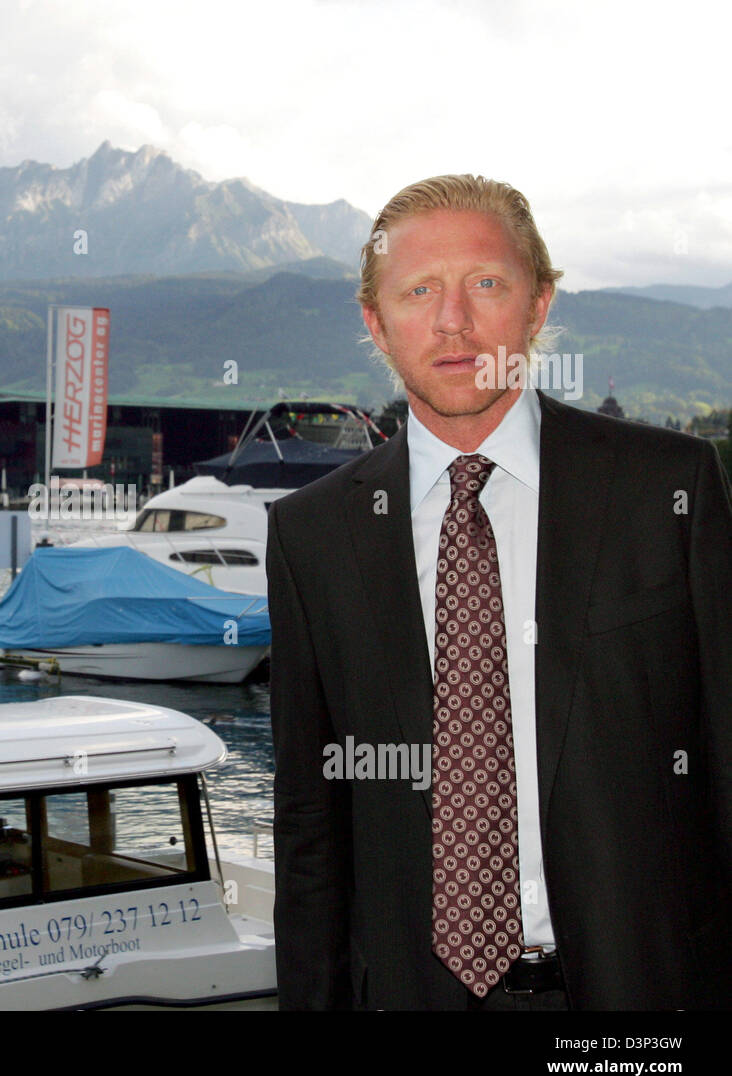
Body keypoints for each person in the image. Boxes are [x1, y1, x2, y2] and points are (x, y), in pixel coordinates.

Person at [267, 174, 732, 1010]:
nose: (453, 320)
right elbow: (311, 827)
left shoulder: (668, 489)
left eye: (486, 283)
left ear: (539, 303)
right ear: (376, 324)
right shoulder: (312, 535)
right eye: (418, 291)